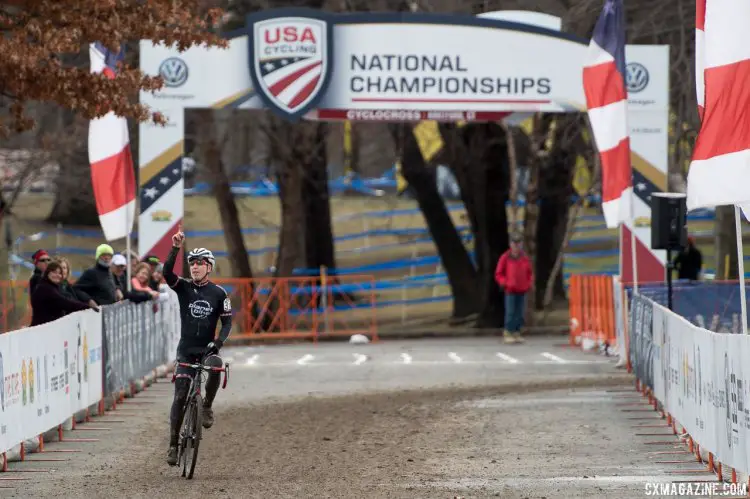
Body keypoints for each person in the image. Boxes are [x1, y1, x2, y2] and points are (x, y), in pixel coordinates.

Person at [164, 229, 232, 466]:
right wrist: (175, 248)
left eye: (200, 263)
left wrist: (218, 342)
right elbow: (166, 273)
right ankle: (173, 444)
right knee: (180, 395)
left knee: (216, 366)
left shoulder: (219, 293)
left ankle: (207, 407)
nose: (195, 267)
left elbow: (228, 322)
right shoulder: (183, 287)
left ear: (209, 267)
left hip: (207, 349)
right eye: (192, 263)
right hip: (186, 349)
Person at [30, 261, 98, 326]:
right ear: (48, 273)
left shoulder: (53, 287)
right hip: (41, 329)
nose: (57, 275)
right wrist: (87, 307)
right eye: (54, 272)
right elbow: (66, 303)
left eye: (60, 273)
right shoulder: (45, 288)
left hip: (48, 327)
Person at [494, 233, 533, 344]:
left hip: (522, 289)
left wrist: (528, 284)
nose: (516, 246)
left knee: (519, 312)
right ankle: (508, 332)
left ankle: (517, 332)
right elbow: (499, 273)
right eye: (514, 243)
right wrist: (505, 283)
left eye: (518, 243)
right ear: (510, 244)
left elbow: (529, 273)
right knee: (510, 312)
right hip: (510, 290)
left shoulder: (524, 258)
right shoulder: (505, 257)